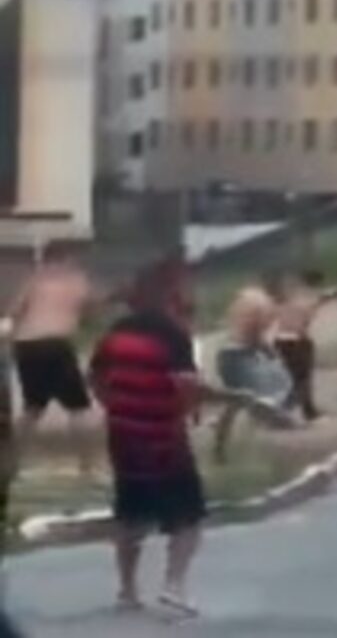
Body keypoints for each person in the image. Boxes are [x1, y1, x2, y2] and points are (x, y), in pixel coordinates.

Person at [89, 261, 205, 617]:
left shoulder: (114, 334)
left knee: (129, 512)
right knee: (189, 514)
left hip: (124, 435)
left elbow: (94, 378)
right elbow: (186, 385)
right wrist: (181, 413)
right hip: (164, 437)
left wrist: (115, 408)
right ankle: (173, 586)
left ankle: (127, 589)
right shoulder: (173, 335)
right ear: (167, 296)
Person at [6, 244, 95, 476]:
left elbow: (15, 310)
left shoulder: (34, 280)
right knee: (79, 407)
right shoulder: (75, 279)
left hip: (26, 344)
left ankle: (12, 460)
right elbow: (89, 307)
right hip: (55, 344)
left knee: (33, 407)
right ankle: (87, 464)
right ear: (66, 259)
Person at [211, 272, 293, 463]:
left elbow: (235, 326)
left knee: (234, 400)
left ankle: (219, 449)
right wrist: (273, 354)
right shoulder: (265, 306)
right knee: (277, 384)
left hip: (225, 354)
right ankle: (274, 420)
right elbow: (256, 336)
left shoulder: (246, 297)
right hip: (241, 356)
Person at [273, 270, 337, 423]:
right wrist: (333, 295)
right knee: (303, 378)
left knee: (287, 377)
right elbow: (319, 300)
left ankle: (282, 410)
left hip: (280, 341)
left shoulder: (285, 298)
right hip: (298, 340)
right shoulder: (307, 298)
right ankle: (307, 411)